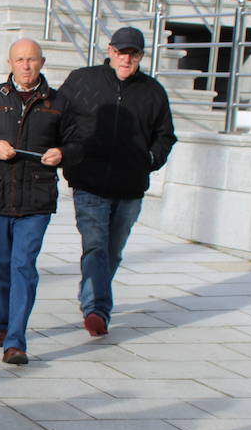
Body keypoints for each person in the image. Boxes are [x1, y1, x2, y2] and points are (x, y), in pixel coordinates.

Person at [0, 38, 82, 365]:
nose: (26, 66)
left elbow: (78, 143)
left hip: (36, 202)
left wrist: (64, 153)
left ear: (42, 62)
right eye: (20, 60)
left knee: (23, 266)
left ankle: (16, 341)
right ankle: (0, 323)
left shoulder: (59, 102)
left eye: (32, 60)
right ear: (9, 63)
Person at [59, 26, 176, 336]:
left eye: (133, 54)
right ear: (110, 51)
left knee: (113, 250)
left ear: (140, 56)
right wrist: (69, 154)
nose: (126, 59)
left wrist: (151, 160)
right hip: (89, 183)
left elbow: (166, 135)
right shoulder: (82, 80)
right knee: (95, 246)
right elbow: (59, 117)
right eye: (121, 52)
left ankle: (90, 291)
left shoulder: (153, 92)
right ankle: (97, 308)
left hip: (130, 187)